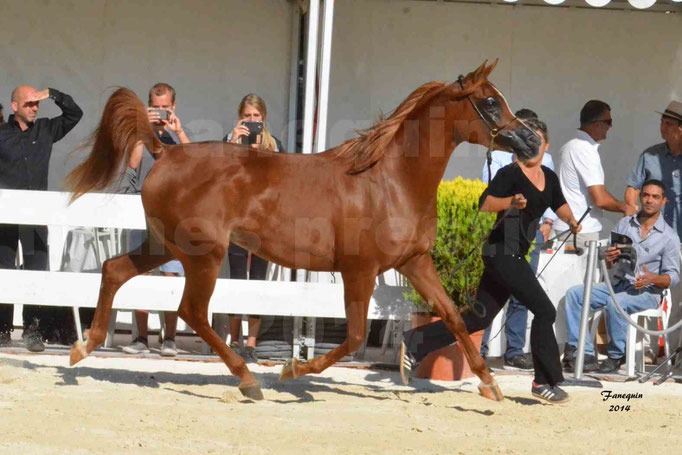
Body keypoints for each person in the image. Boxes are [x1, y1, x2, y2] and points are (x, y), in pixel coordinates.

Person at [401, 119, 581, 403]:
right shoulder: (510, 173)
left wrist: (571, 220)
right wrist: (510, 201)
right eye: (526, 137)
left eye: (536, 138)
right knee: (545, 310)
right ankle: (542, 382)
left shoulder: (549, 176)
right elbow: (485, 203)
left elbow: (559, 203)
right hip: (501, 252)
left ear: (546, 145)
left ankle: (416, 342)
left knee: (477, 318)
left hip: (514, 254)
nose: (531, 142)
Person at [563, 180, 680, 373]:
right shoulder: (625, 224)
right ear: (641, 197)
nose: (649, 200)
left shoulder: (669, 236)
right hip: (618, 284)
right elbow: (607, 258)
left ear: (664, 201)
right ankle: (583, 352)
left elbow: (673, 277)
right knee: (575, 294)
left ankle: (617, 355)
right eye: (646, 195)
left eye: (655, 197)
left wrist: (652, 278)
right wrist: (609, 257)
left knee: (615, 302)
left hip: (648, 292)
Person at [0, 86, 83, 351]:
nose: (34, 108)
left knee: (36, 270)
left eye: (37, 104)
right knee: (3, 271)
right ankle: (1, 330)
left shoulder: (46, 129)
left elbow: (75, 114)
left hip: (36, 216)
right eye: (29, 104)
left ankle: (33, 331)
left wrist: (53, 94)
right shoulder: (1, 134)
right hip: (5, 216)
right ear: (14, 107)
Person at [480, 108, 557, 371]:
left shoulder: (547, 161)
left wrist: (549, 222)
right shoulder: (501, 160)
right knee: (491, 295)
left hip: (531, 231)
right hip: (506, 229)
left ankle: (514, 350)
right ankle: (481, 349)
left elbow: (550, 194)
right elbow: (488, 194)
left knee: (522, 295)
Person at [119, 82, 190, 357]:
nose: (160, 112)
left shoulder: (177, 135)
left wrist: (178, 131)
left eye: (165, 107)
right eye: (155, 107)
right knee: (142, 272)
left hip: (172, 216)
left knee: (171, 274)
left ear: (173, 107)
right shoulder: (138, 134)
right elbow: (130, 171)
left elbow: (195, 163)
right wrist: (142, 131)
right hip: (142, 212)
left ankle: (169, 338)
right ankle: (141, 338)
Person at [222, 94, 284, 363]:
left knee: (258, 279)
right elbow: (221, 174)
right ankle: (233, 340)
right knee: (237, 278)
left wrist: (260, 151)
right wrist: (234, 142)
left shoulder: (275, 145)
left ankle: (251, 343)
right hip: (236, 219)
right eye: (247, 116)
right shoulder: (230, 139)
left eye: (256, 116)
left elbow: (280, 182)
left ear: (264, 117)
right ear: (239, 117)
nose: (251, 121)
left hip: (264, 222)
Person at [623, 101, 682, 363]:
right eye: (662, 122)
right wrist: (632, 219)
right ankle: (646, 351)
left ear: (680, 130)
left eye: (669, 124)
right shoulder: (649, 155)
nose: (663, 127)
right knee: (645, 289)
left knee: (679, 299)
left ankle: (675, 353)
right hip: (653, 237)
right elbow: (632, 189)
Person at [553, 100, 637, 245]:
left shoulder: (569, 146)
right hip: (579, 231)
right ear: (597, 124)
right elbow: (600, 199)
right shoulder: (585, 150)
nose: (610, 127)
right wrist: (625, 207)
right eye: (608, 121)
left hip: (569, 227)